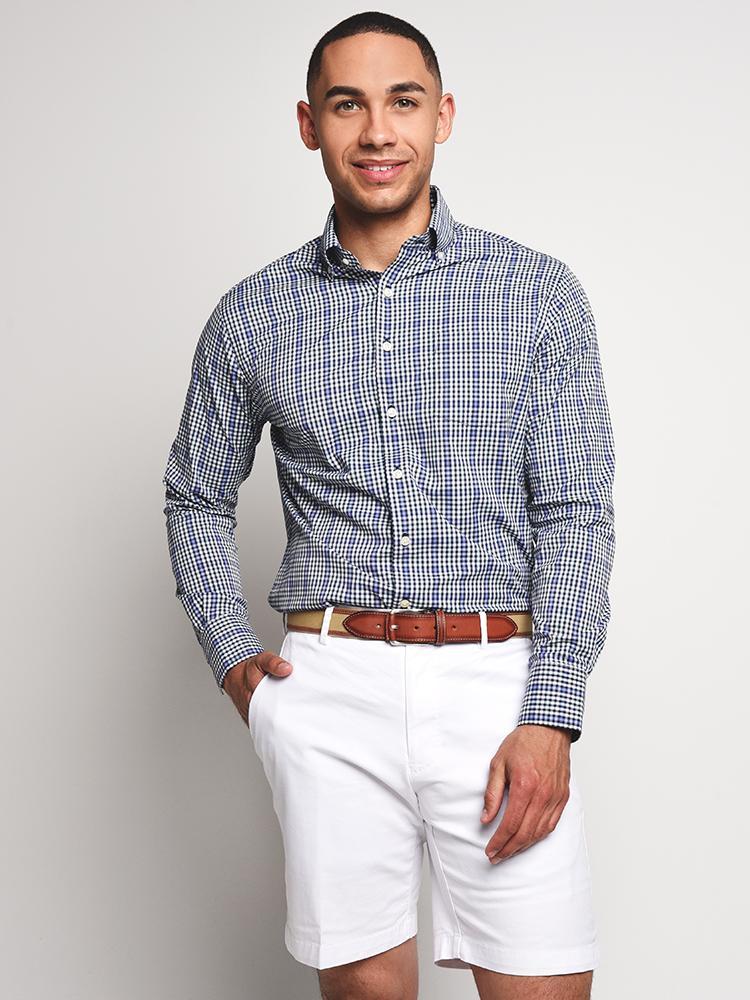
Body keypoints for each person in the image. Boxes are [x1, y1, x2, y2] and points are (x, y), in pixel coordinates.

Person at [162, 10, 616, 1000]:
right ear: (308, 124)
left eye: (403, 102)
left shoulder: (538, 294)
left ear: (442, 115)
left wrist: (552, 716)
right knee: (366, 989)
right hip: (329, 687)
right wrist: (238, 665)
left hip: (500, 688)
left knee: (542, 984)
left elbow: (577, 510)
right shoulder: (253, 314)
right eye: (347, 105)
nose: (377, 131)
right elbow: (195, 493)